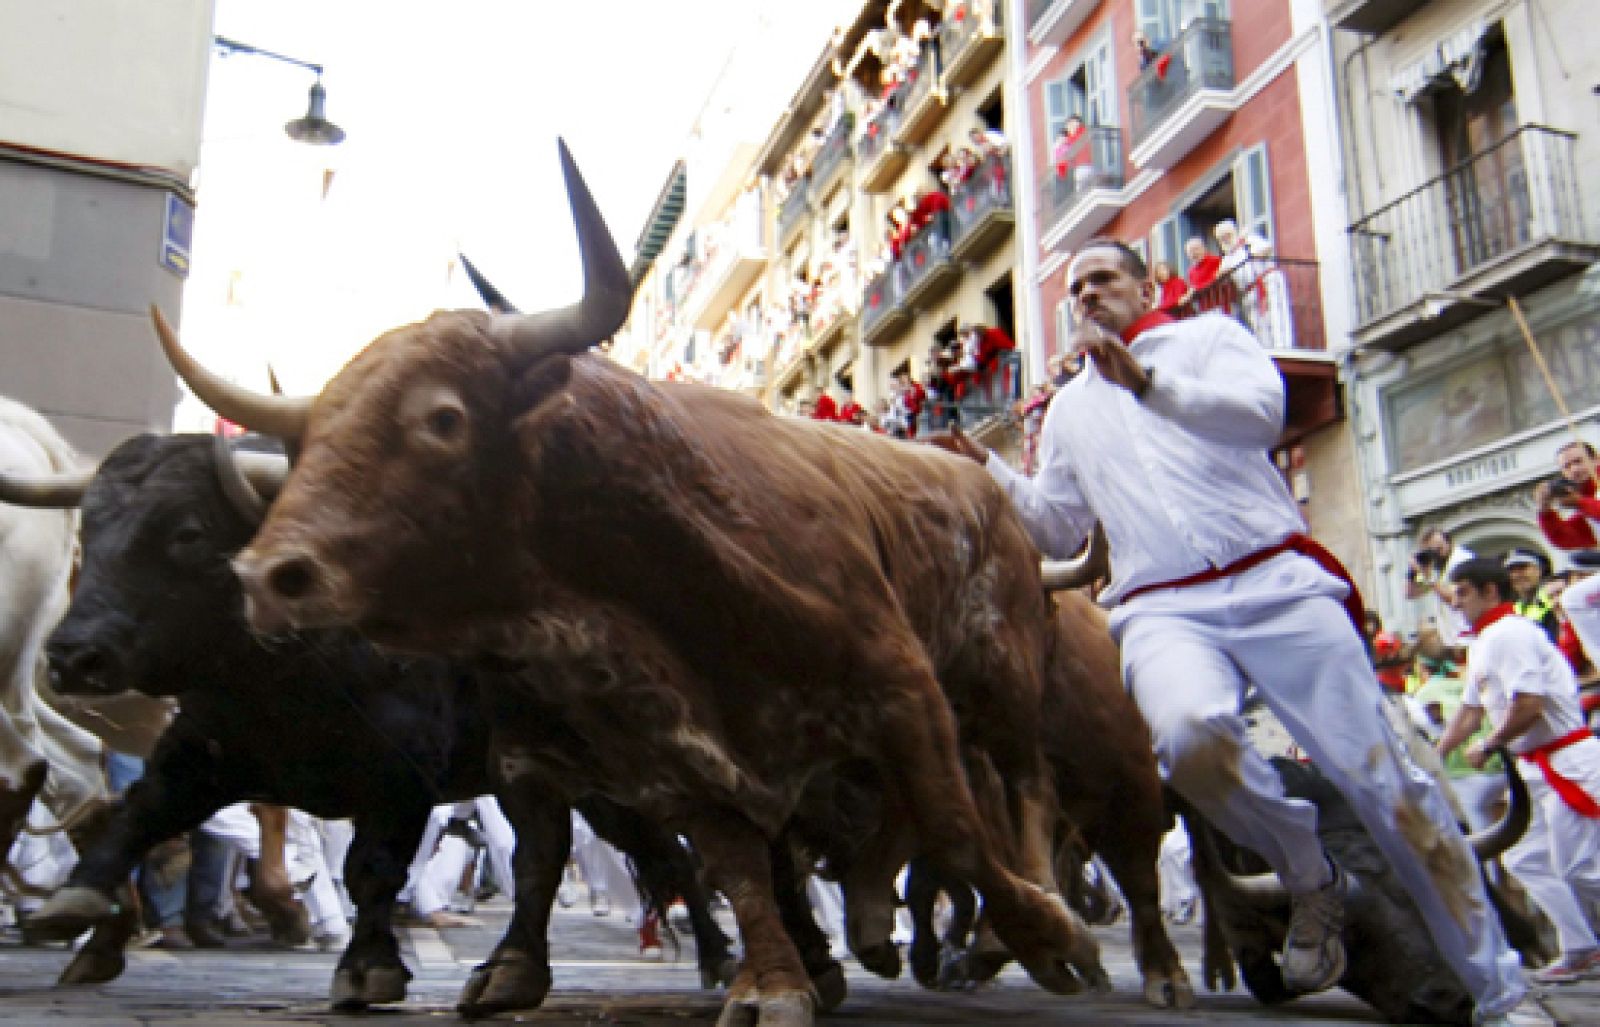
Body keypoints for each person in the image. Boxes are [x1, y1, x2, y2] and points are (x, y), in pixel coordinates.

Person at [935, 238, 1540, 1024]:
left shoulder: (1208, 340)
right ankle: (1309, 872)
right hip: (1160, 606)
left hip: (1277, 579)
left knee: (1394, 788)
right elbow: (1056, 527)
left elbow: (1262, 415)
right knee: (1187, 740)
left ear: (1143, 283)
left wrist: (1149, 383)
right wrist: (987, 473)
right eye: (1075, 288)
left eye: (1103, 278)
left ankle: (1505, 995)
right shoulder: (1071, 409)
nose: (1086, 295)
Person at [1439, 558, 1600, 984]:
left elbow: (1528, 705)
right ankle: (1581, 946)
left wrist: (1490, 744)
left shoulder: (1510, 634)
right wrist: (1435, 754)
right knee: (1526, 858)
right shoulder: (1485, 642)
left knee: (1579, 867)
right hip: (1535, 770)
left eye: (1462, 593)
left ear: (1490, 591)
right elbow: (1470, 712)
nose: (1455, 604)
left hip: (1569, 763)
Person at [1536, 440, 1600, 662]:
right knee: (1574, 599)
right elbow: (1566, 537)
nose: (1574, 470)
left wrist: (1582, 503)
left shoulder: (1590, 496)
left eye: (1579, 462)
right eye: (1567, 466)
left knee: (1574, 597)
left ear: (1596, 460)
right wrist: (1545, 511)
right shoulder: (1583, 498)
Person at [1406, 526, 1475, 653]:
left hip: (1468, 638)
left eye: (1439, 548)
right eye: (1431, 551)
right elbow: (1410, 594)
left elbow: (1454, 598)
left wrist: (1427, 577)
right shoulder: (1437, 569)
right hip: (1451, 641)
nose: (1437, 554)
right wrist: (1412, 573)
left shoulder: (1462, 560)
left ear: (1448, 542)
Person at [1506, 548, 1561, 643]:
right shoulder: (1512, 610)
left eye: (1523, 568)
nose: (1517, 575)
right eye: (1512, 571)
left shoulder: (1556, 599)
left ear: (1539, 570)